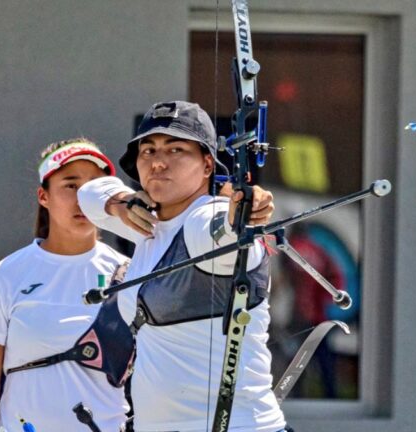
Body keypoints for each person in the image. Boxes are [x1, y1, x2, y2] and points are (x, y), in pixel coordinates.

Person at [78, 100, 287, 431]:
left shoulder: (204, 220)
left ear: (207, 165)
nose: (158, 162)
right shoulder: (147, 224)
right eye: (148, 151)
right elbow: (88, 194)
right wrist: (120, 204)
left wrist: (243, 213)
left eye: (175, 150)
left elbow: (222, 232)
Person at [0, 139, 133, 431]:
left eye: (94, 186)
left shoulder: (131, 274)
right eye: (70, 185)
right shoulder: (2, 277)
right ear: (44, 196)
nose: (83, 198)